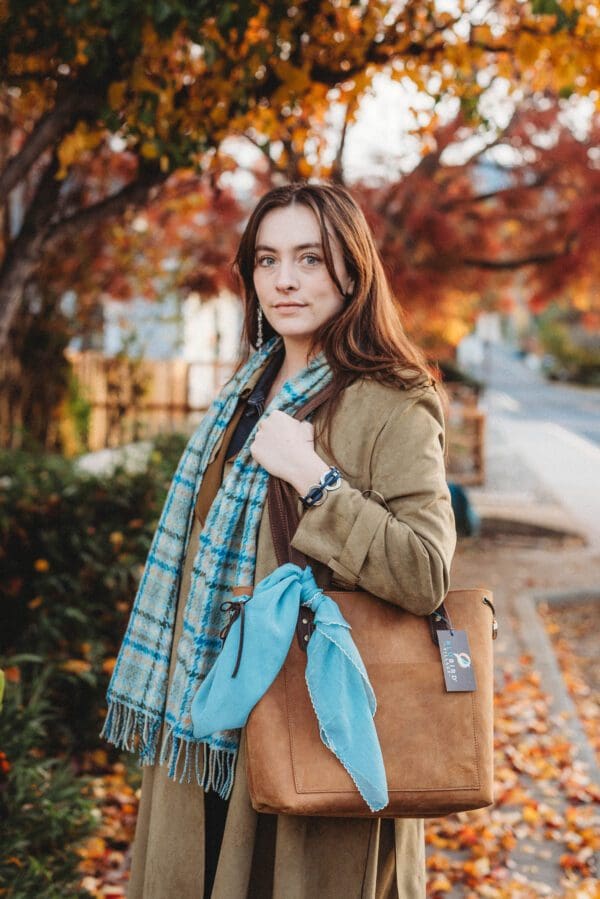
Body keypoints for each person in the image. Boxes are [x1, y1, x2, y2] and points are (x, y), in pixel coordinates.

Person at [102, 182, 457, 898]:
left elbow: (425, 572)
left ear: (353, 271)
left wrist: (316, 479)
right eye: (267, 260)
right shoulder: (243, 393)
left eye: (310, 259)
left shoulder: (394, 400)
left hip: (310, 724)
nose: (284, 280)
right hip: (202, 721)